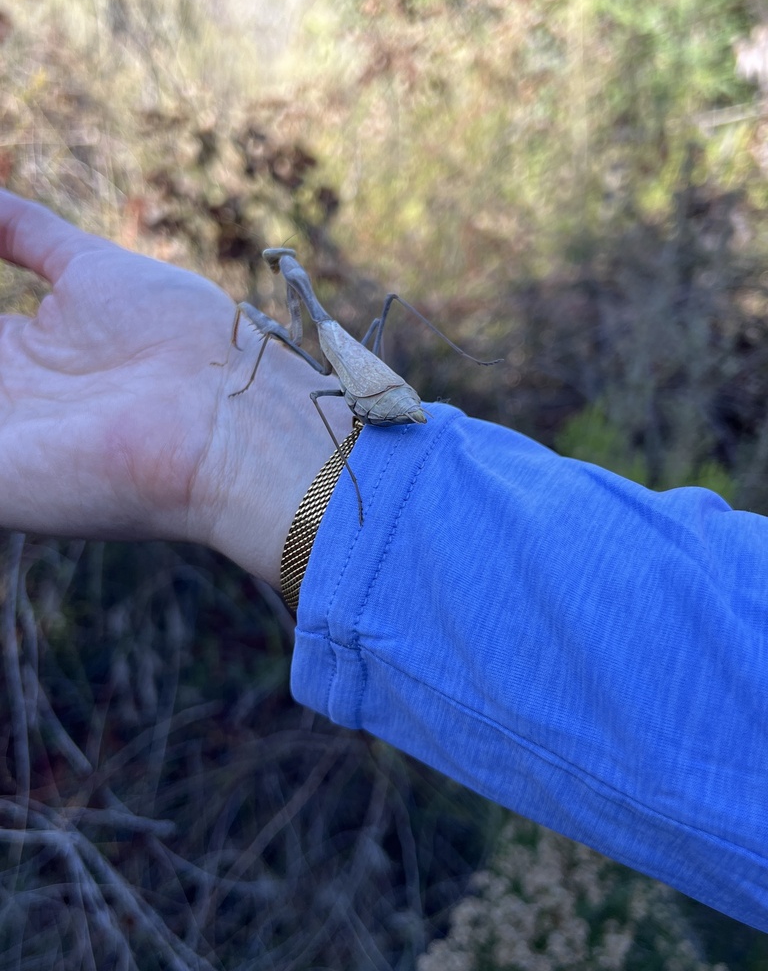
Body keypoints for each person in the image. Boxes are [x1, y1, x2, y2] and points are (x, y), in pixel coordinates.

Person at [0, 188, 766, 932]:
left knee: (339, 353)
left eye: (281, 262)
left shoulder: (303, 330)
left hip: (381, 413)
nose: (278, 269)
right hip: (386, 435)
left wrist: (300, 472)